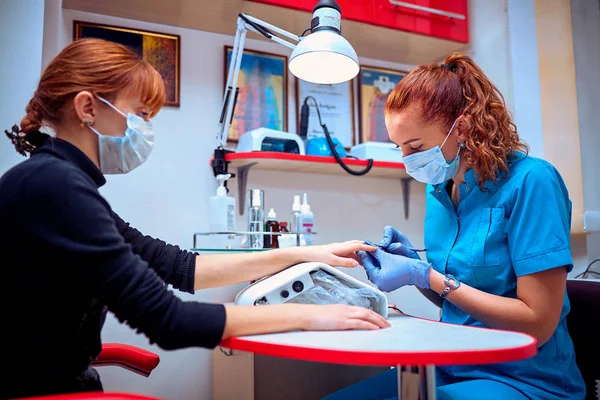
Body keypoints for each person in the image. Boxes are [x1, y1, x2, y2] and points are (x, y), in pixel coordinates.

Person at [0, 38, 388, 399]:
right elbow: (169, 320)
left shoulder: (57, 182)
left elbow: (185, 268)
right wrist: (311, 316)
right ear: (88, 108)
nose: (143, 130)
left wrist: (311, 254)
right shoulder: (57, 189)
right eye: (138, 114)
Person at [324, 53, 586, 399]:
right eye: (399, 147)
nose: (406, 160)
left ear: (460, 128)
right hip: (451, 364)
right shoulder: (439, 192)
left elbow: (537, 323)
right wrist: (412, 273)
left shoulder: (532, 182)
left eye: (415, 146)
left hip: (524, 379)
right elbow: (456, 298)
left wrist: (426, 275)